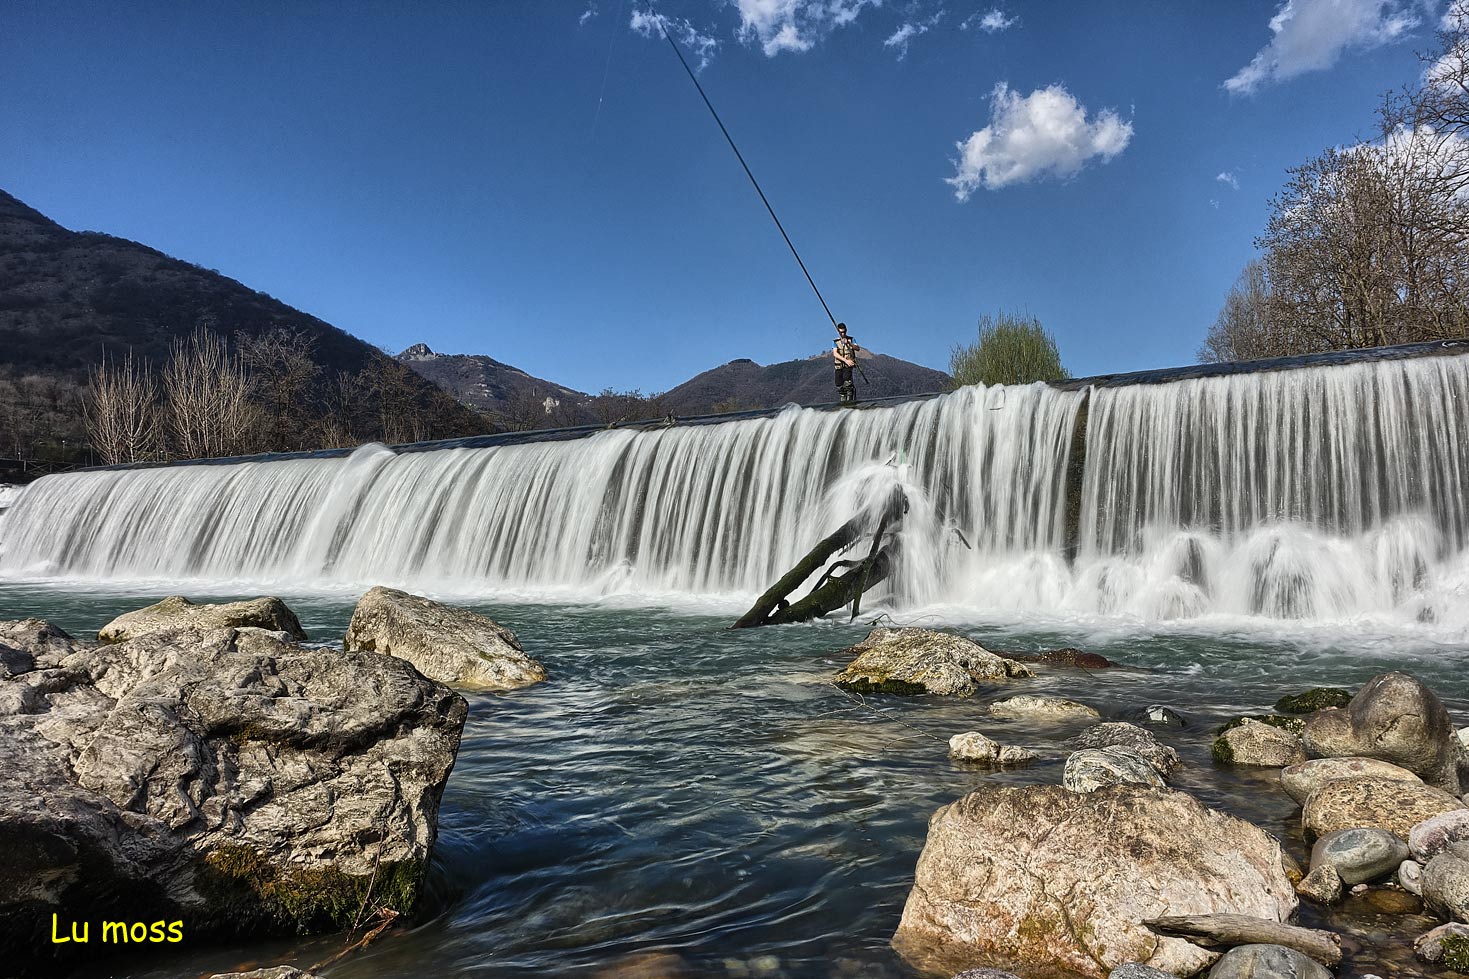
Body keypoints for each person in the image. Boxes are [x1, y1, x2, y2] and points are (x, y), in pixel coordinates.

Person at [832, 322, 860, 405]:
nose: (843, 334)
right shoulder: (836, 342)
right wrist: (845, 360)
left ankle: (850, 403)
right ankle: (843, 403)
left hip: (848, 365)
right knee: (839, 385)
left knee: (847, 384)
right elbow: (835, 353)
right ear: (838, 332)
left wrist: (849, 343)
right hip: (839, 366)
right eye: (841, 332)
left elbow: (857, 348)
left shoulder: (851, 339)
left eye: (844, 332)